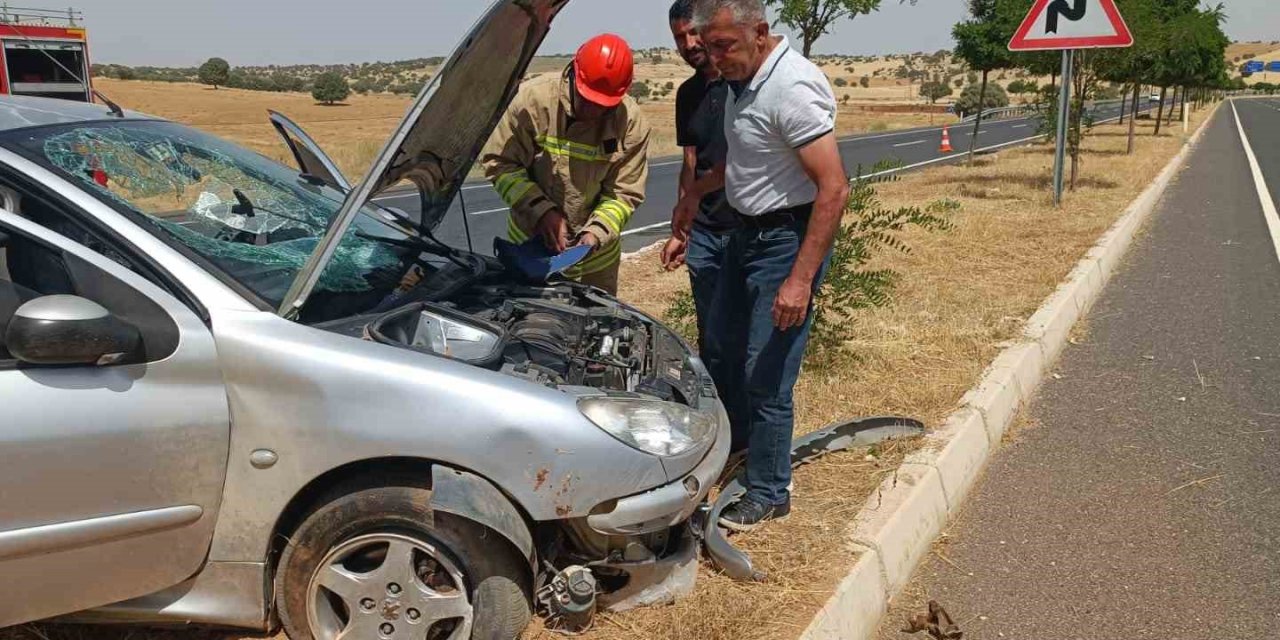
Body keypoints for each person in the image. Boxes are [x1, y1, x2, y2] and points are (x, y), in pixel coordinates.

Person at [679, 0, 850, 531]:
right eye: (708, 48)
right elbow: (750, 157)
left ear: (760, 32)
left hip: (783, 241)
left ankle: (771, 490)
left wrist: (799, 280)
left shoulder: (791, 88)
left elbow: (834, 189)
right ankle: (743, 452)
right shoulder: (740, 80)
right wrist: (692, 198)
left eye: (725, 46)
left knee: (766, 370)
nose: (715, 58)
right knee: (722, 350)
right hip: (742, 237)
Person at [482, 34, 652, 295]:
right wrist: (542, 212)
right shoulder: (533, 102)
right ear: (573, 74)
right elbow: (500, 165)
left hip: (596, 263)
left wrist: (595, 234)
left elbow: (623, 194)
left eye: (603, 106)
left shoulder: (631, 123)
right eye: (588, 100)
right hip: (529, 249)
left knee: (598, 329)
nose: (593, 112)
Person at [663, 0, 741, 418]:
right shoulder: (687, 94)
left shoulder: (740, 83)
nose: (688, 44)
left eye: (693, 33)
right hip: (707, 232)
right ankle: (720, 425)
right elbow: (690, 162)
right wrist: (681, 228)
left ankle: (748, 432)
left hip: (748, 228)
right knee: (711, 336)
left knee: (746, 338)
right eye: (679, 37)